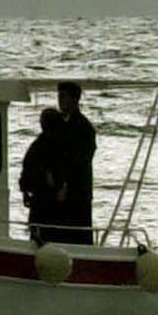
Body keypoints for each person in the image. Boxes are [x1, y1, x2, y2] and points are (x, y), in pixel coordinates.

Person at [54, 80, 97, 244]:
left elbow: (81, 161)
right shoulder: (60, 123)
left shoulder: (83, 127)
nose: (60, 100)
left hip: (77, 189)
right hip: (62, 185)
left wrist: (67, 184)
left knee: (78, 230)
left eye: (63, 97)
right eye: (59, 96)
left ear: (74, 99)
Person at [18, 106, 68, 244]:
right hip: (46, 194)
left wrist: (24, 191)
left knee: (39, 230)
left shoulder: (40, 143)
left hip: (41, 193)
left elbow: (27, 166)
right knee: (49, 230)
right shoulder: (54, 143)